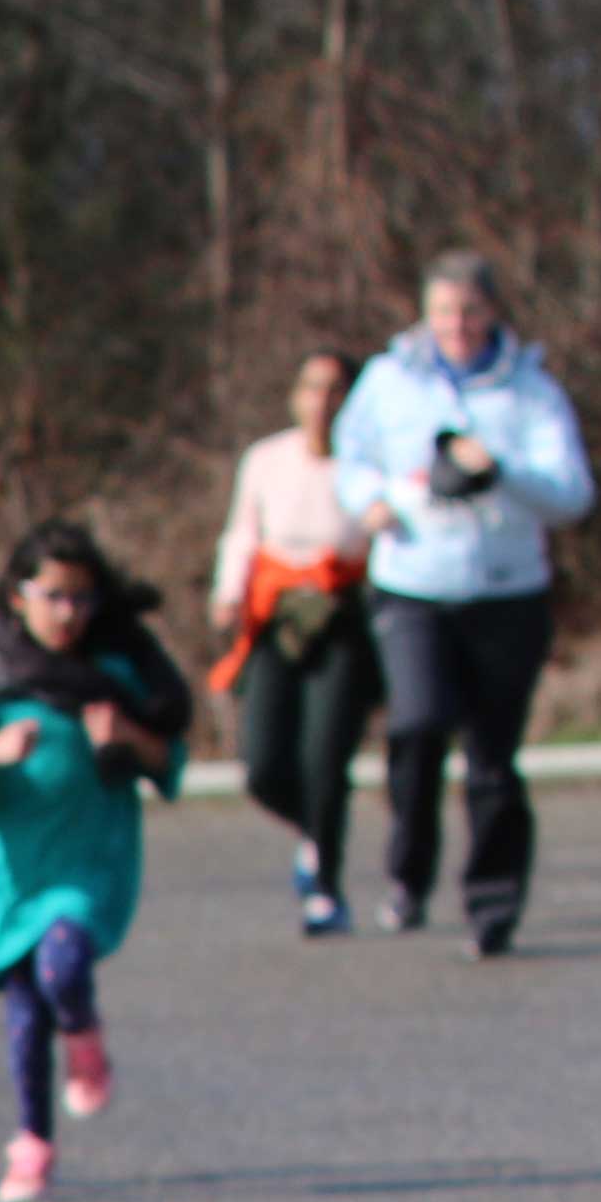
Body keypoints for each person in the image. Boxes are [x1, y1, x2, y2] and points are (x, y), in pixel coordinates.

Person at [0, 519, 185, 1202]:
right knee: (25, 1015)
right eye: (53, 597)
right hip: (13, 879)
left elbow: (168, 764)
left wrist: (128, 737)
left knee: (63, 961)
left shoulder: (111, 679)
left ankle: (84, 1035)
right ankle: (32, 1142)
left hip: (91, 867)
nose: (68, 614)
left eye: (81, 599)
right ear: (17, 597)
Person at [329, 251, 595, 957]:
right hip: (413, 583)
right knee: (417, 726)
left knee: (492, 758)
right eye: (444, 311)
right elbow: (349, 456)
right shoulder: (389, 380)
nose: (458, 325)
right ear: (425, 313)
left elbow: (572, 495)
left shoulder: (531, 392)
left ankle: (493, 903)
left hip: (507, 591)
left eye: (471, 311)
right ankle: (408, 870)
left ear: (494, 312)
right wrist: (369, 501)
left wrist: (499, 469)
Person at [210, 350, 378, 936]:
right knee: (263, 764)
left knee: (325, 757)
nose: (322, 402)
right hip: (276, 615)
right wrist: (229, 591)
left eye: (335, 390)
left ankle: (325, 888)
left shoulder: (367, 463)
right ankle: (314, 830)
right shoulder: (267, 459)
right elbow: (242, 533)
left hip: (343, 614)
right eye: (312, 387)